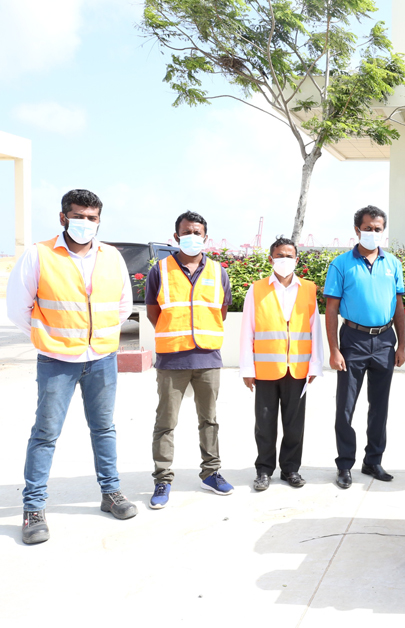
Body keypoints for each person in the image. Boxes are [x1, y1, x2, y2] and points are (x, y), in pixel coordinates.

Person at [7, 189, 137, 544]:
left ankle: (111, 493)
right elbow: (18, 308)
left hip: (102, 359)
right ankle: (33, 508)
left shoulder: (112, 256)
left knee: (104, 429)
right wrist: (48, 335)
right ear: (63, 217)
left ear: (99, 220)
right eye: (78, 216)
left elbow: (123, 304)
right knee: (45, 434)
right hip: (56, 360)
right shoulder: (39, 254)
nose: (85, 224)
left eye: (92, 218)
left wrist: (97, 337)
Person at [145, 211, 233, 508]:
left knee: (209, 420)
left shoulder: (218, 271)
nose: (192, 237)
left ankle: (211, 473)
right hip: (172, 358)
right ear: (176, 237)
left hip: (207, 357)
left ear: (205, 237)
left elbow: (220, 310)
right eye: (187, 232)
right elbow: (153, 312)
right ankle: (162, 479)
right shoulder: (160, 270)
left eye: (197, 233)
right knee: (165, 422)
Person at [324, 206, 405, 489]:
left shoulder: (392, 263)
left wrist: (401, 344)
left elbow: (399, 307)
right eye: (368, 228)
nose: (373, 233)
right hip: (353, 341)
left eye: (378, 228)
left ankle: (373, 460)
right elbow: (331, 309)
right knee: (345, 406)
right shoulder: (341, 264)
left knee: (379, 405)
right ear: (357, 229)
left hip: (384, 340)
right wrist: (334, 350)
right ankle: (345, 464)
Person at [240, 237, 324, 490]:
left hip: (297, 369)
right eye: (280, 255)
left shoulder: (308, 289)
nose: (284, 260)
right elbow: (247, 331)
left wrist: (315, 366)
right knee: (264, 424)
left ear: (297, 260)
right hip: (266, 369)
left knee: (294, 424)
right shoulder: (257, 289)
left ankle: (290, 469)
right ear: (271, 259)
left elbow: (314, 328)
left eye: (289, 256)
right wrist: (247, 369)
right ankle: (264, 470)